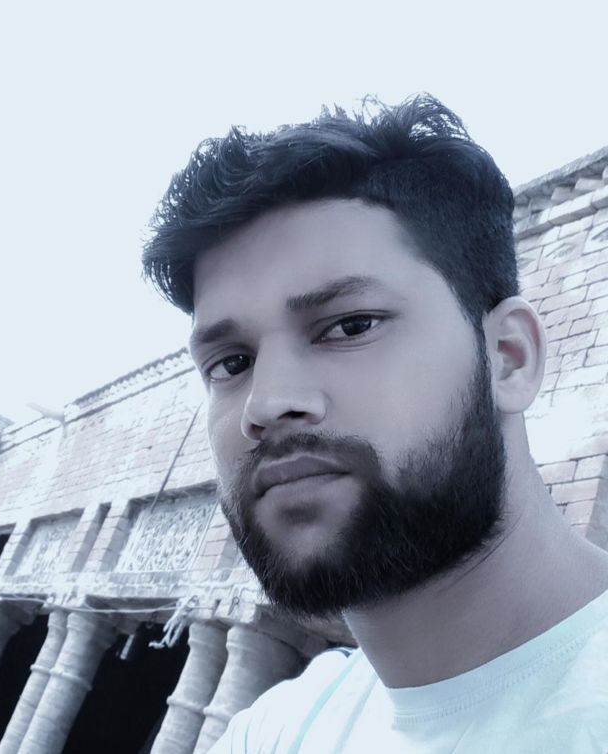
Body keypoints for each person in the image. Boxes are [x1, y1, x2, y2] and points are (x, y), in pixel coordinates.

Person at [142, 95, 608, 752]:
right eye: (231, 363)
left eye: (349, 326)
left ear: (509, 357)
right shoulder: (275, 730)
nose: (265, 405)